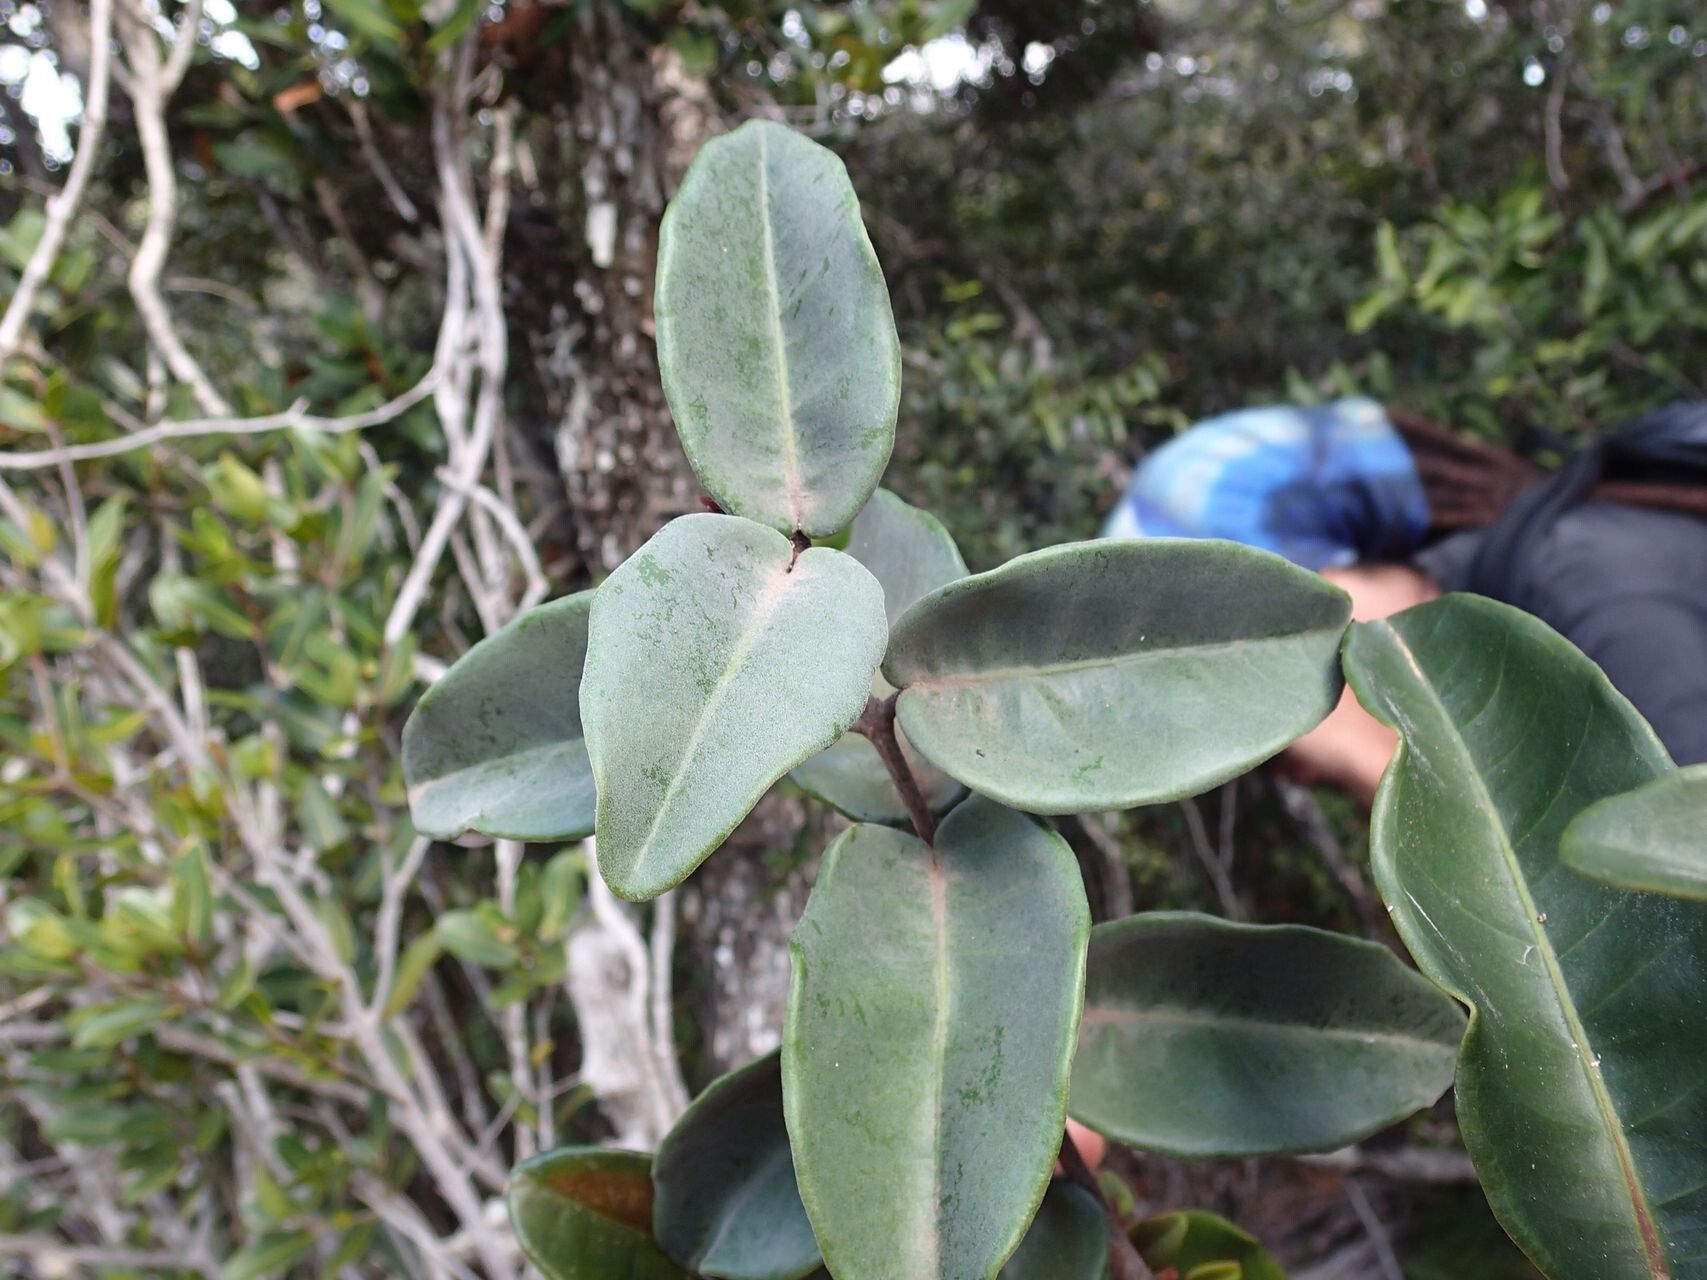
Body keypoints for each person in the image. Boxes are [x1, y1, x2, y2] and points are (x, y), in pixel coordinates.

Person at [1104, 398, 1707, 804]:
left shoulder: (1601, 603)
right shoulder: (1520, 644)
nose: (1300, 770)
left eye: (1261, 720)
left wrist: (1375, 760)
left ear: (1328, 588)